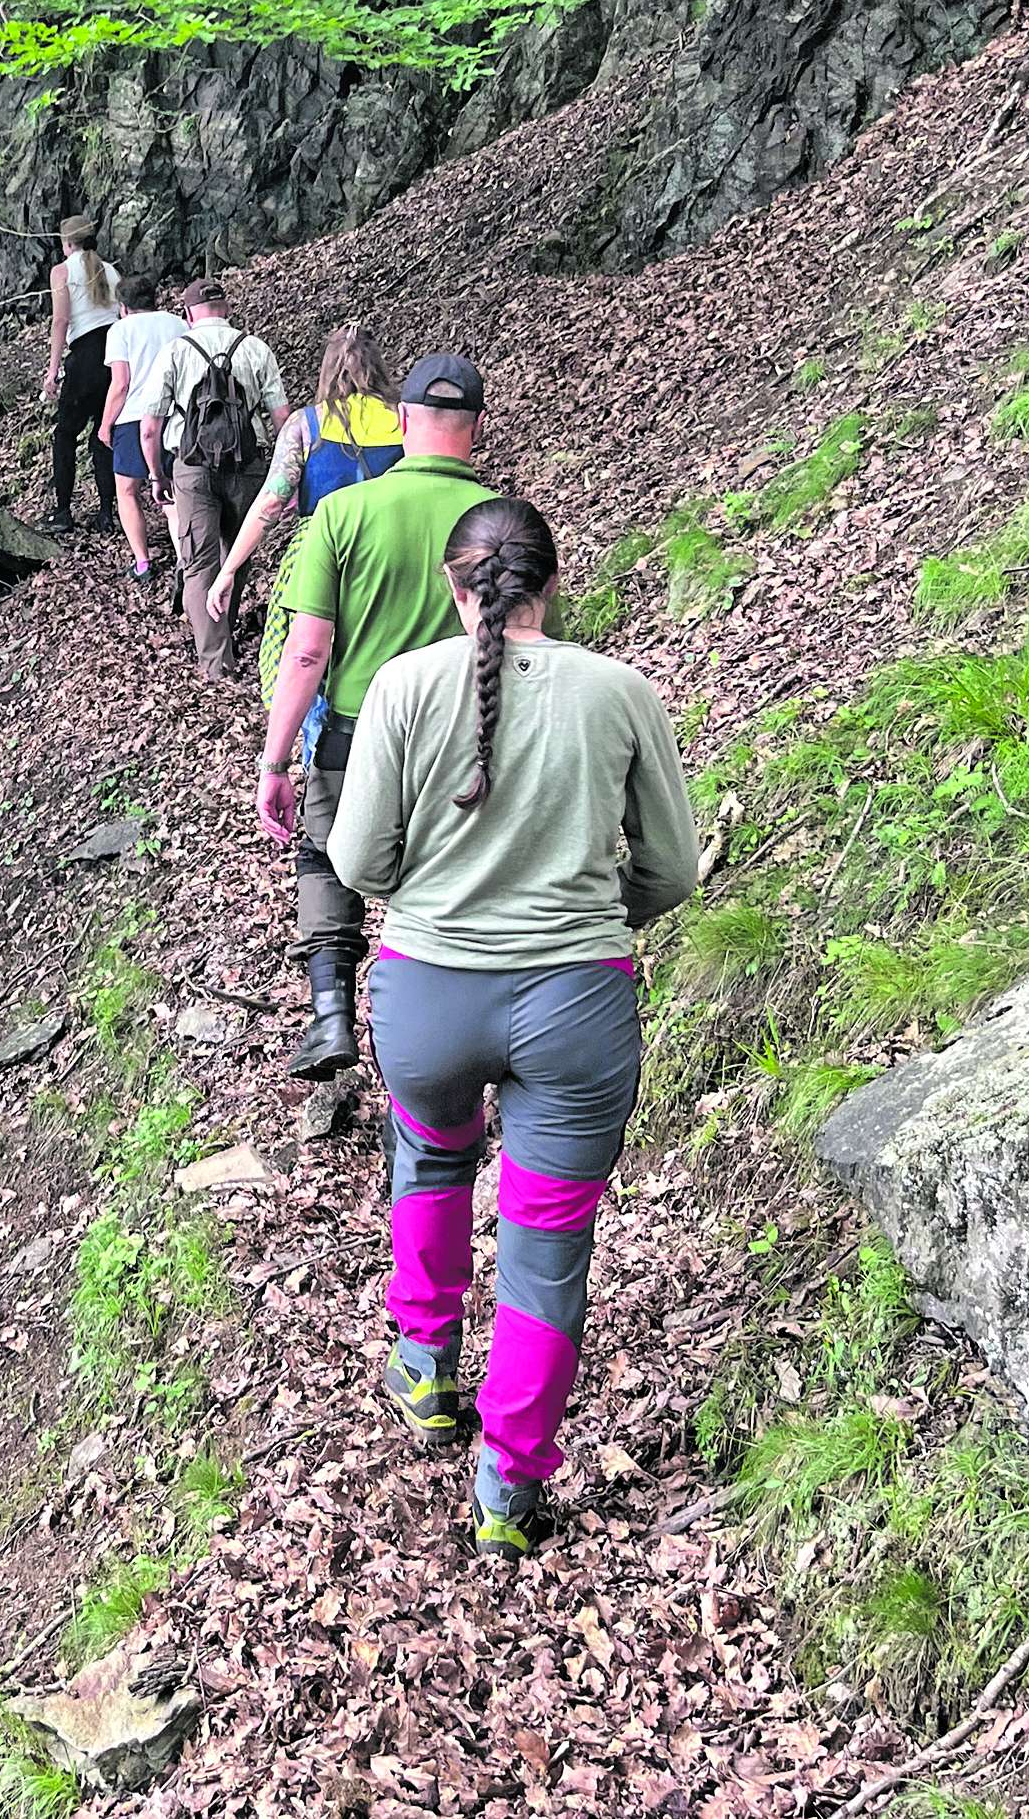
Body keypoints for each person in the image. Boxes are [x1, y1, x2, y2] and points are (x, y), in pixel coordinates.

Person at [327, 498, 699, 1557]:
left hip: (428, 997)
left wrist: (435, 898)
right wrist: (588, 925)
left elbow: (357, 865)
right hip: (578, 1009)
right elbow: (670, 868)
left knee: (434, 1161)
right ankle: (508, 1485)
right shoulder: (621, 693)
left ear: (455, 587)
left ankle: (428, 1363)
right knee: (546, 1251)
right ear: (552, 580)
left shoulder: (402, 688)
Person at [256, 353, 495, 1081]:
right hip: (464, 737)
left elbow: (307, 653)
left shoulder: (342, 514)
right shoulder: (501, 523)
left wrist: (274, 759)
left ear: (401, 421)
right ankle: (433, 1052)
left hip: (355, 735)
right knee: (440, 883)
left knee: (326, 861)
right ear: (478, 429)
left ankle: (331, 1018)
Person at [204, 323, 401, 630]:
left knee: (294, 647)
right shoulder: (404, 420)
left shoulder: (307, 424)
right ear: (379, 367)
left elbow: (271, 502)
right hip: (389, 550)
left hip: (322, 554)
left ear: (327, 370)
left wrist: (228, 569)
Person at [141, 277, 290, 681]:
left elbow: (150, 427)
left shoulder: (176, 351)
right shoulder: (255, 349)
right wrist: (285, 473)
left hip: (191, 468)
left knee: (198, 563)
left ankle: (215, 662)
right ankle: (225, 623)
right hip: (248, 465)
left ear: (188, 314)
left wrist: (156, 474)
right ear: (226, 309)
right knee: (237, 554)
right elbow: (282, 419)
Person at [98, 274, 185, 582]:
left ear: (123, 306)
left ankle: (143, 562)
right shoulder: (178, 324)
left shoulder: (120, 330)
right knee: (172, 490)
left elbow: (120, 384)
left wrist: (106, 423)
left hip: (134, 417)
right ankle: (184, 559)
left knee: (128, 490)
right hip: (174, 416)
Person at [43, 214, 120, 534]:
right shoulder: (112, 271)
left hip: (84, 358)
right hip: (114, 356)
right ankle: (107, 512)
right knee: (103, 436)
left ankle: (63, 511)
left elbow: (60, 321)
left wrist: (52, 370)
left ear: (68, 244)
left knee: (64, 435)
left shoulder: (61, 272)